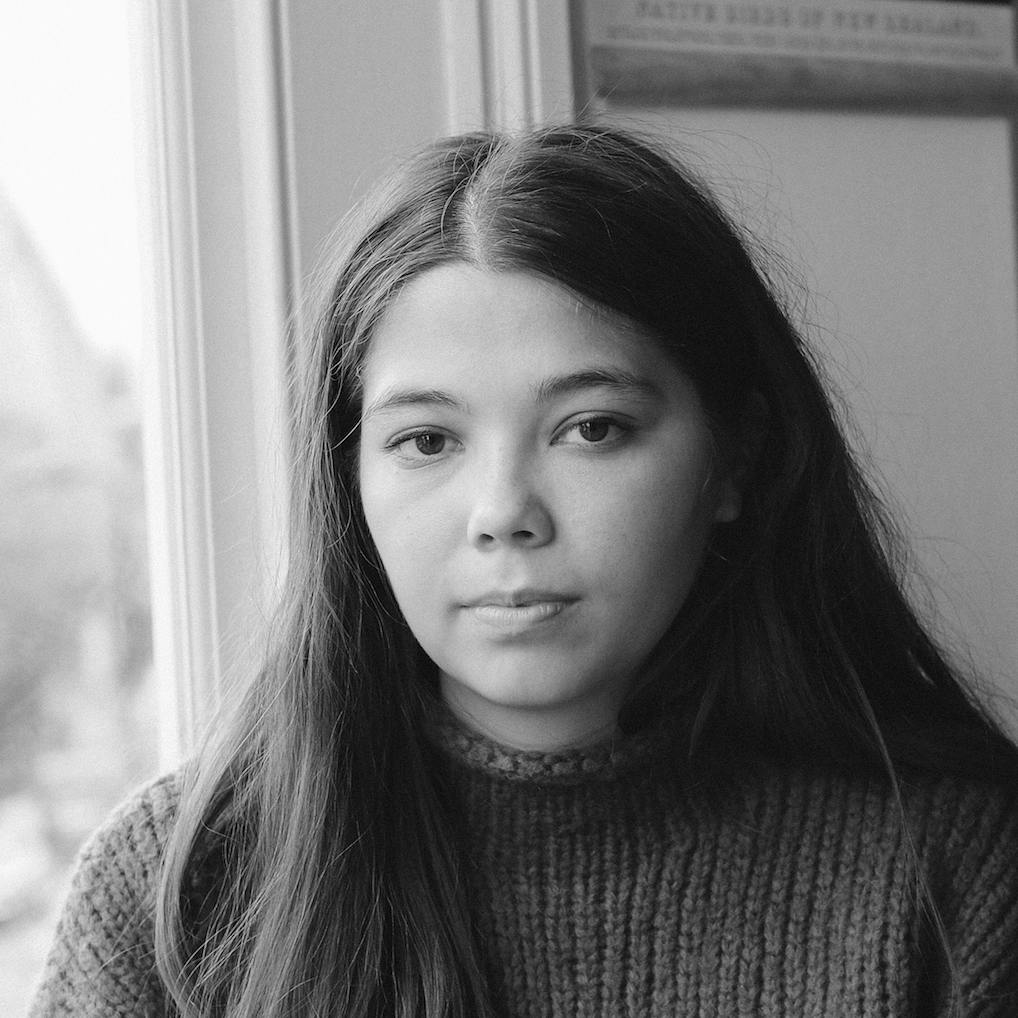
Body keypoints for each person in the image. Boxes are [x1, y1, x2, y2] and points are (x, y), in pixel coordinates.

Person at [30, 123, 1018, 1018]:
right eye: (426, 440)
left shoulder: (953, 871)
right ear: (348, 481)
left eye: (592, 428)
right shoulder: (176, 888)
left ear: (735, 459)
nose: (504, 511)